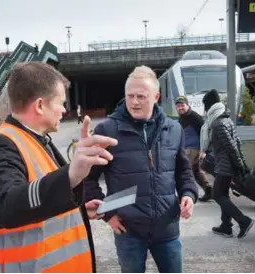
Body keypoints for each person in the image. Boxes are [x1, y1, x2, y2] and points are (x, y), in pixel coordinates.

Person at [0, 62, 118, 273]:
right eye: (61, 102)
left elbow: (39, 198)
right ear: (40, 105)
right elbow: (6, 206)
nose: (65, 110)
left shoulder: (38, 140)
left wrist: (77, 211)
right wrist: (70, 176)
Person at [84, 65, 198, 273]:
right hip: (128, 229)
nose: (134, 102)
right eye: (130, 96)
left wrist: (189, 194)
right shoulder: (107, 130)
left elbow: (184, 172)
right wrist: (108, 213)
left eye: (141, 96)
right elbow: (87, 179)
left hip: (167, 227)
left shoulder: (174, 129)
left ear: (156, 96)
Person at [200, 89, 254, 239]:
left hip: (225, 167)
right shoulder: (227, 119)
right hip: (225, 166)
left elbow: (232, 147)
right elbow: (238, 143)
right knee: (223, 194)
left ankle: (243, 221)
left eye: (205, 105)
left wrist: (240, 165)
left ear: (209, 106)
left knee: (217, 195)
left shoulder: (217, 124)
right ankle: (226, 226)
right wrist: (242, 163)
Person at [175, 96, 212, 202]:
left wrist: (203, 149)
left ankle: (185, 194)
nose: (180, 108)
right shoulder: (182, 117)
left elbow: (205, 132)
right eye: (178, 106)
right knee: (195, 172)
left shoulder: (194, 116)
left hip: (194, 148)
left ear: (187, 105)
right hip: (187, 147)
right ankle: (209, 190)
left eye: (182, 105)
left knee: (184, 170)